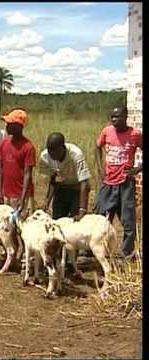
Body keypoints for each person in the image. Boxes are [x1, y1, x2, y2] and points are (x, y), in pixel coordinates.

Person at [95, 106, 142, 261]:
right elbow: (97, 147)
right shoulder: (107, 131)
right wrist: (101, 170)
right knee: (100, 217)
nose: (114, 120)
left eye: (118, 117)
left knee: (128, 220)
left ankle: (125, 253)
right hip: (108, 182)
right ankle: (94, 250)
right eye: (112, 117)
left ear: (125, 117)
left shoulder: (135, 134)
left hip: (126, 183)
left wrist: (136, 170)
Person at [39, 132, 92, 271]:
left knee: (75, 225)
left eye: (54, 150)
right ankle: (59, 261)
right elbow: (52, 180)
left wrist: (82, 210)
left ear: (62, 147)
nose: (52, 154)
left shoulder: (76, 154)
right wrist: (47, 201)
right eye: (49, 150)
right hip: (61, 189)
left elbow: (84, 184)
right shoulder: (45, 156)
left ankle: (73, 261)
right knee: (58, 224)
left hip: (76, 189)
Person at [0, 109, 36, 218]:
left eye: (10, 124)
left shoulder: (28, 147)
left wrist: (23, 199)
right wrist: (0, 192)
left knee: (23, 227)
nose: (7, 126)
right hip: (7, 194)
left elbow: (27, 174)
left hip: (20, 195)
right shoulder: (4, 143)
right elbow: (1, 169)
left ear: (19, 127)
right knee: (7, 226)